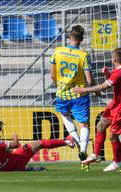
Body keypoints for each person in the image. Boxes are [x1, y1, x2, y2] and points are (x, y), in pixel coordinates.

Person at [50, 25, 98, 164]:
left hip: (62, 92)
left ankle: (76, 140)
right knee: (84, 124)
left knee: (64, 115)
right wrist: (95, 89)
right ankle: (83, 148)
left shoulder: (57, 51)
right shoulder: (83, 55)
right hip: (79, 93)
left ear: (70, 37)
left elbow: (52, 75)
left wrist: (59, 84)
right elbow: (89, 80)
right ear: (81, 39)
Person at [73, 47, 121, 172]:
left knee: (114, 137)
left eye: (112, 57)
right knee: (101, 125)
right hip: (115, 104)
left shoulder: (118, 73)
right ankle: (96, 154)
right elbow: (115, 82)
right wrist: (108, 74)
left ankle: (117, 162)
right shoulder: (116, 72)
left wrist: (83, 90)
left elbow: (102, 87)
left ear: (115, 59)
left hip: (120, 108)